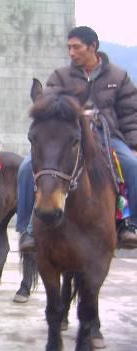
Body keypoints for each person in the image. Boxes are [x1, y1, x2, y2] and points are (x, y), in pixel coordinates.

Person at [18, 26, 137, 252]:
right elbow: (48, 104)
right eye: (69, 47)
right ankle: (27, 230)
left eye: (76, 47)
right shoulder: (60, 76)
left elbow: (131, 113)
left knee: (133, 166)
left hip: (106, 134)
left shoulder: (118, 76)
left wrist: (134, 146)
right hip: (69, 136)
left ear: (93, 47)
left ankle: (130, 224)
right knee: (25, 168)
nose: (71, 52)